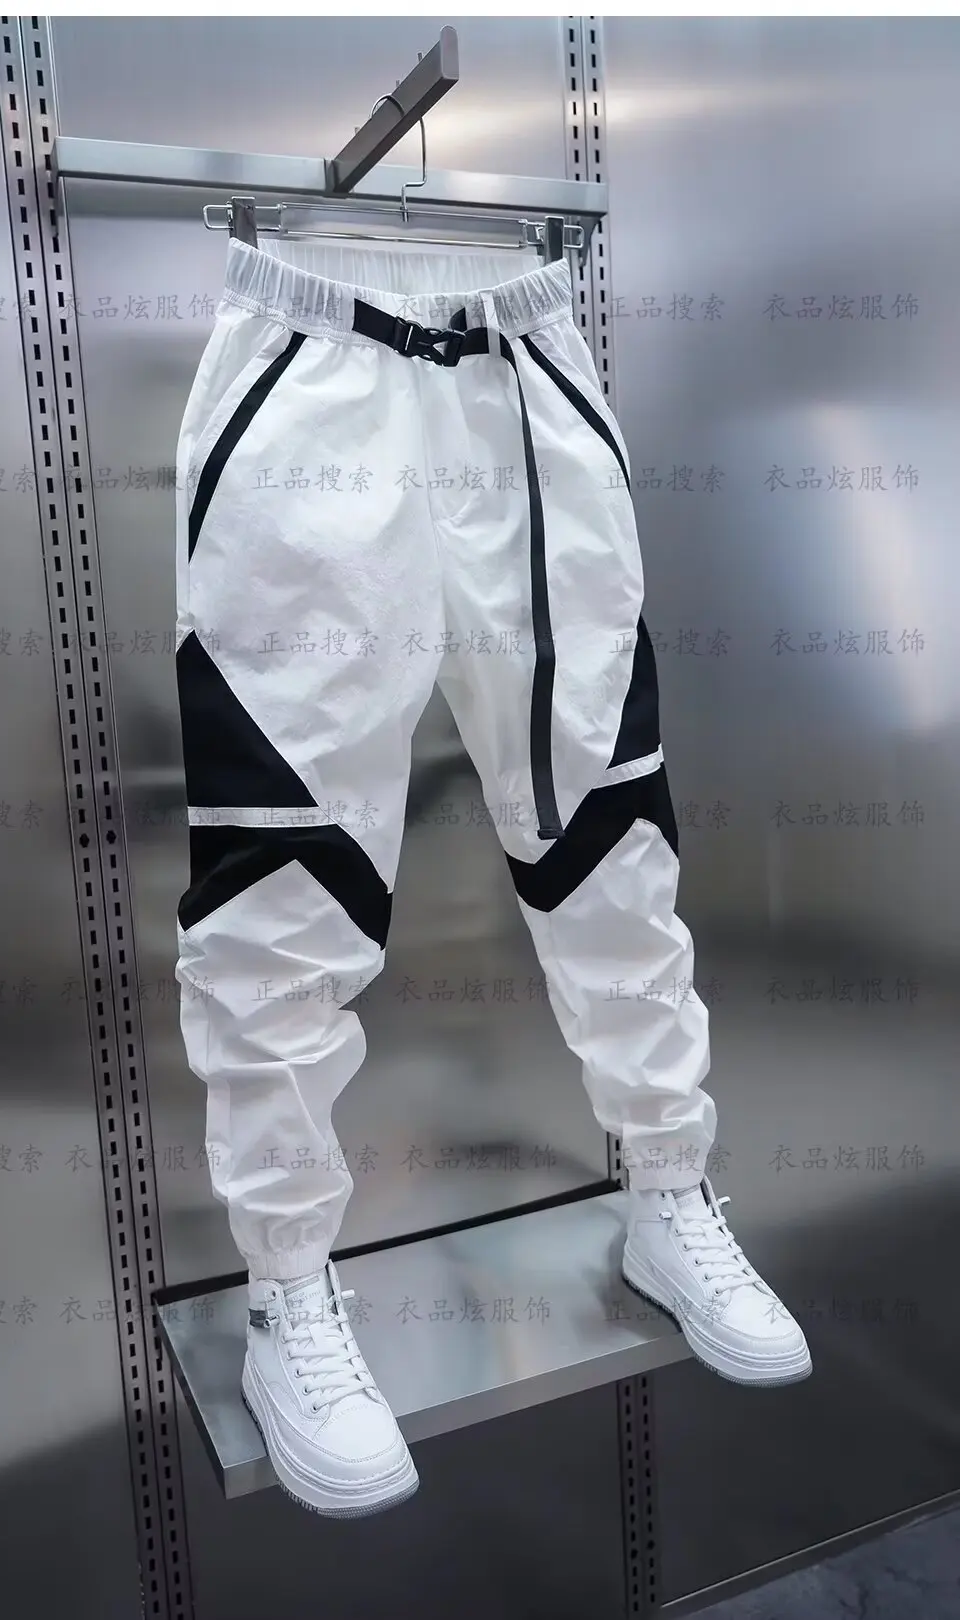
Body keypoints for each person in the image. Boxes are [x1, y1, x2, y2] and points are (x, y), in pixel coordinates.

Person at [174, 237, 811, 1517]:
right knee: (285, 870)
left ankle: (668, 1193)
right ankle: (286, 1293)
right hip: (311, 373)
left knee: (609, 832)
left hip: (522, 371)